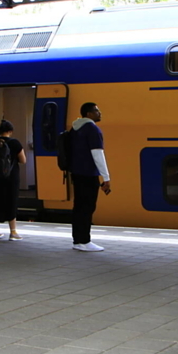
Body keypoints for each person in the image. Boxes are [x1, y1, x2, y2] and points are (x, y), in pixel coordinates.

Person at [69, 102, 111, 252]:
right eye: (96, 111)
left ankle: (77, 240)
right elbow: (97, 154)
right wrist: (106, 177)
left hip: (77, 173)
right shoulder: (92, 129)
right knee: (87, 207)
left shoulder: (75, 128)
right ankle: (84, 241)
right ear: (88, 114)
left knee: (79, 207)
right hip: (89, 174)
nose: (100, 113)